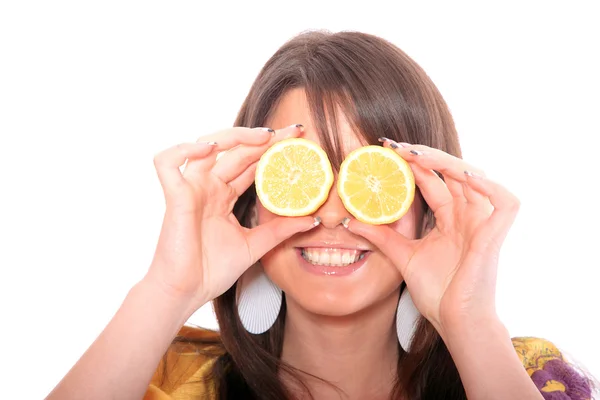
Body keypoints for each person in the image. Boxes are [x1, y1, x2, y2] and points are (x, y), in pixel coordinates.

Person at [46, 31, 597, 400]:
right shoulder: (165, 380)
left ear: (430, 207)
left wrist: (471, 322)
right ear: (253, 199)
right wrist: (167, 289)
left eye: (370, 178)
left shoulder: (518, 375)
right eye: (303, 176)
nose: (333, 213)